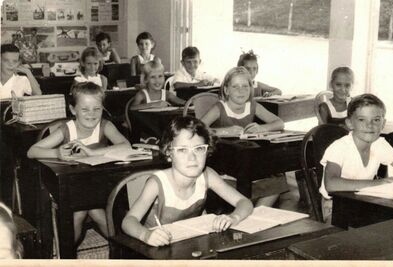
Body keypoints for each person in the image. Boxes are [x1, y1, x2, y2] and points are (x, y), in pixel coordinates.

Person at [121, 116, 253, 247]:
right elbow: (128, 221)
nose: (192, 158)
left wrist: (233, 217)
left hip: (189, 243)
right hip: (155, 249)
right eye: (182, 150)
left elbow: (244, 202)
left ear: (207, 151)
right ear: (169, 153)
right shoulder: (157, 183)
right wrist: (146, 235)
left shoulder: (208, 175)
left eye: (199, 149)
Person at [27, 82, 131, 244]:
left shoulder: (105, 126)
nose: (91, 114)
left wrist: (92, 152)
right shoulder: (67, 129)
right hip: (72, 186)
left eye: (97, 109)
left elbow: (126, 146)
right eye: (84, 109)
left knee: (93, 209)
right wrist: (57, 153)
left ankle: (120, 249)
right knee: (84, 211)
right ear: (73, 109)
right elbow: (32, 151)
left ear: (103, 108)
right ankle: (68, 253)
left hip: (100, 184)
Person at [201, 66, 287, 207]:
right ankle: (246, 209)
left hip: (250, 162)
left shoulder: (253, 106)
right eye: (235, 87)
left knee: (278, 180)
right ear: (226, 90)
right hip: (225, 166)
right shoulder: (220, 108)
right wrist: (224, 131)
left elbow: (279, 123)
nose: (241, 90)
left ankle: (256, 213)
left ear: (250, 88)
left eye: (245, 86)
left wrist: (261, 128)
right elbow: (198, 128)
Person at [319, 94, 393, 222]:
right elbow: (331, 184)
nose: (370, 125)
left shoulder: (380, 143)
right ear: (350, 123)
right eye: (362, 120)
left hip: (363, 201)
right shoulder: (340, 147)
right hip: (335, 207)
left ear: (383, 123)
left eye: (376, 120)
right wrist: (378, 183)